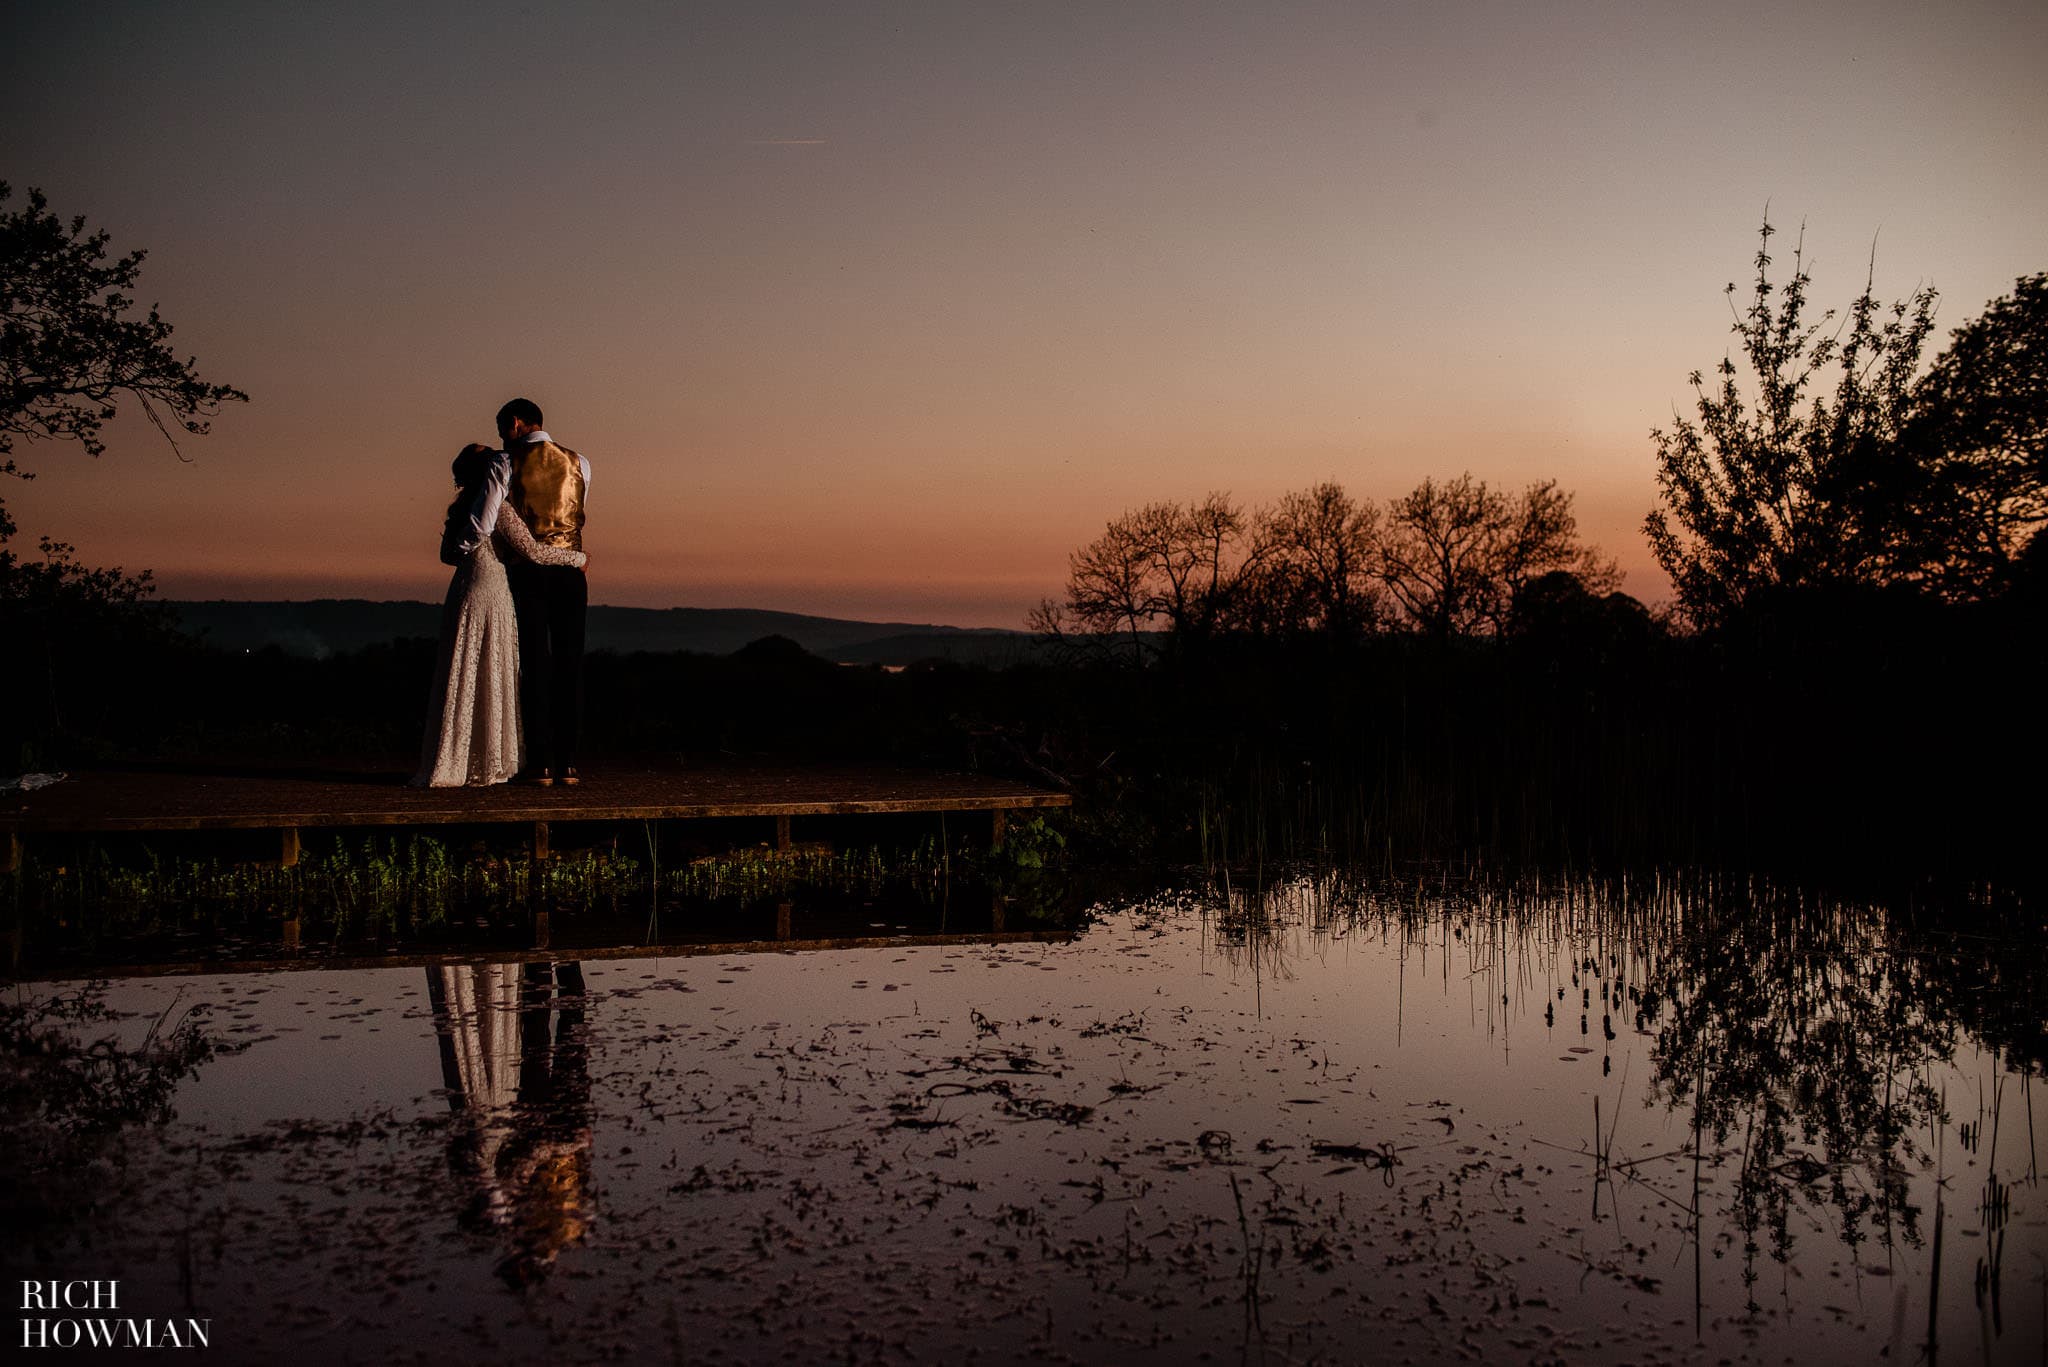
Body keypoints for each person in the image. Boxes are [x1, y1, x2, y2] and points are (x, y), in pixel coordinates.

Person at [411, 443, 586, 787]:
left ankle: (458, 757)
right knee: (493, 669)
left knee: (464, 667)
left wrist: (469, 549)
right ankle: (493, 758)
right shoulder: (500, 510)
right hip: (492, 591)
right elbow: (533, 551)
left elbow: (448, 555)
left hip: (463, 589)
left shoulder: (460, 511)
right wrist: (577, 559)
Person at [491, 398, 591, 787]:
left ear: (516, 422)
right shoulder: (580, 462)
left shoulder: (504, 463)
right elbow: (576, 518)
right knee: (570, 665)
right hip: (571, 573)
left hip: (528, 573)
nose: (501, 437)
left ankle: (540, 763)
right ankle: (569, 763)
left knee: (534, 664)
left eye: (502, 428)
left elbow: (498, 521)